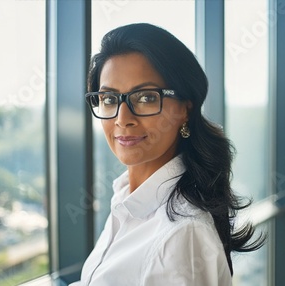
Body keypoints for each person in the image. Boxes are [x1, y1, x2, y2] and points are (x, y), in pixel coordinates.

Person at [70, 23, 264, 286]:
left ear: (185, 109)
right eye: (109, 99)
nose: (122, 119)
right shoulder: (128, 199)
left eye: (146, 98)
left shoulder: (182, 236)